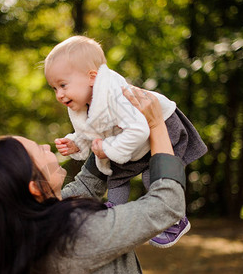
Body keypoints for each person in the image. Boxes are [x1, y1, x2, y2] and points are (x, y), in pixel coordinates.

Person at [0, 87, 187, 274]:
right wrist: (156, 125)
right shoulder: (78, 237)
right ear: (35, 187)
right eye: (39, 150)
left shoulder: (34, 229)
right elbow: (165, 205)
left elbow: (87, 183)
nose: (47, 146)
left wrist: (106, 135)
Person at [44, 35, 207, 248]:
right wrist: (76, 143)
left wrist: (108, 148)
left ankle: (175, 220)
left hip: (160, 125)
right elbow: (88, 132)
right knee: (116, 174)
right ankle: (114, 209)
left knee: (154, 173)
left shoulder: (115, 97)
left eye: (63, 85)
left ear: (92, 77)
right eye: (54, 88)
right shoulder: (86, 103)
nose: (59, 94)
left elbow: (139, 129)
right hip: (127, 139)